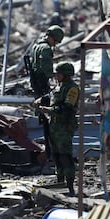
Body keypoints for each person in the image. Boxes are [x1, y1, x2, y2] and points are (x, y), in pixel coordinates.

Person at [34, 62, 79, 196]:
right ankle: (60, 182)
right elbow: (52, 95)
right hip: (54, 126)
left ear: (65, 74)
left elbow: (66, 108)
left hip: (64, 127)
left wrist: (47, 110)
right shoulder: (60, 86)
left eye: (58, 73)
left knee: (65, 156)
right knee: (56, 156)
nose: (56, 76)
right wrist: (41, 100)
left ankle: (70, 185)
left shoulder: (72, 88)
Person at [29, 25, 64, 98]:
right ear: (52, 38)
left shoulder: (36, 45)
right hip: (41, 80)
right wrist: (52, 75)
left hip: (35, 79)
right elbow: (45, 65)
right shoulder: (46, 48)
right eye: (55, 42)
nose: (55, 44)